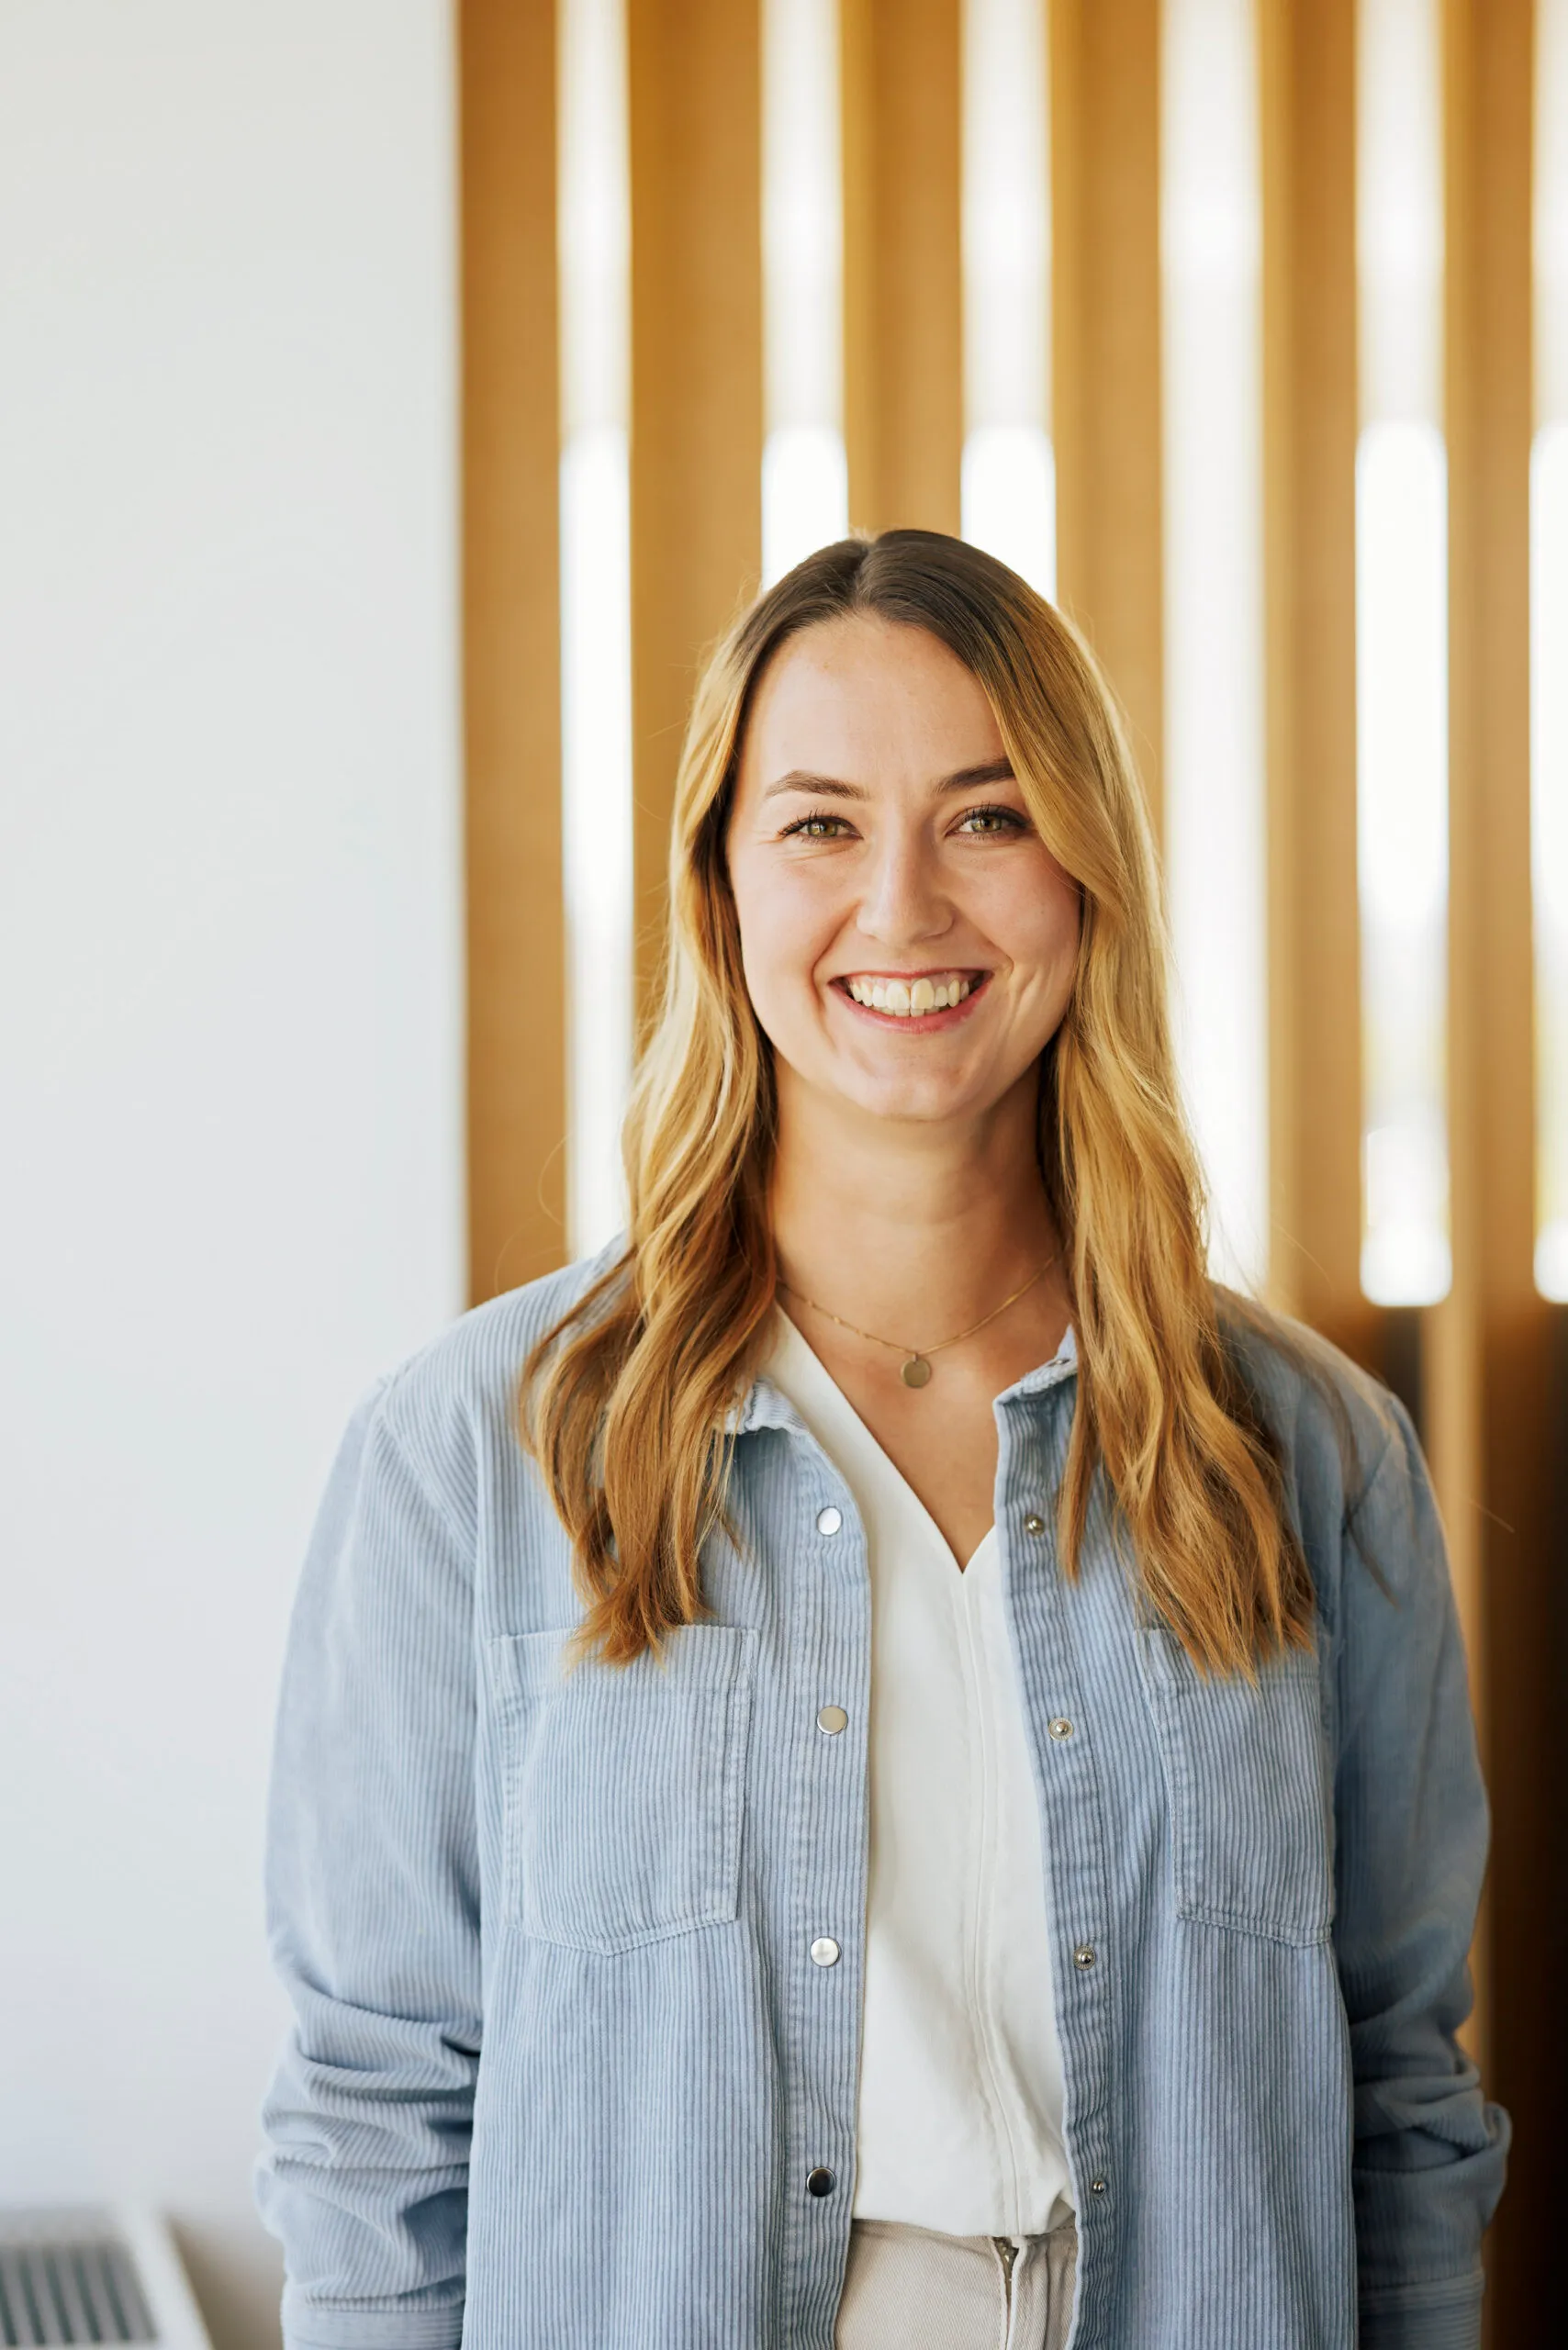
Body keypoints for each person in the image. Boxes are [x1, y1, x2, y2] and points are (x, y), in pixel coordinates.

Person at [254, 531, 1508, 2350]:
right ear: (721, 888)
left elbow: (1395, 2082)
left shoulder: (1308, 1454)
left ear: (1086, 874)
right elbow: (378, 2113)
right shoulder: (469, 1453)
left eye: (985, 818)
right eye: (821, 824)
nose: (904, 907)